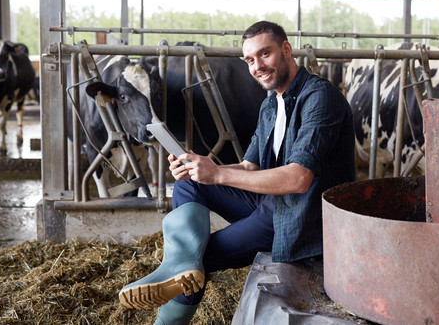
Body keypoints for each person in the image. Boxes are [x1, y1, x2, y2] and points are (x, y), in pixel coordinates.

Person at [118, 20, 355, 324]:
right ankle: (179, 264)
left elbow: (298, 178)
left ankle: (170, 308)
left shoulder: (319, 98)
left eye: (264, 54)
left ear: (286, 49)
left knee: (199, 256)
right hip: (271, 203)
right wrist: (202, 168)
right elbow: (249, 167)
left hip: (300, 218)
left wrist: (217, 175)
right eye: (250, 60)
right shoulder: (271, 105)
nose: (258, 66)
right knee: (189, 185)